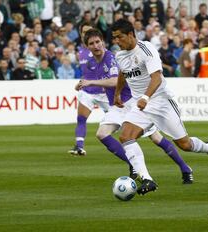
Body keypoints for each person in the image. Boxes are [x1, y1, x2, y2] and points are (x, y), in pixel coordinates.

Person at [111, 19, 208, 195]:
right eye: (114, 38)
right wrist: (118, 93)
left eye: (119, 37)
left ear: (131, 34)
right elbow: (122, 73)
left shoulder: (146, 49)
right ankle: (147, 180)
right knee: (125, 136)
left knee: (185, 145)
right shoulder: (119, 55)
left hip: (161, 101)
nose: (116, 41)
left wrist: (145, 97)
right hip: (141, 105)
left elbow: (156, 77)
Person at [77, 29, 194, 184]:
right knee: (102, 133)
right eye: (91, 43)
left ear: (103, 42)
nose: (96, 45)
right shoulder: (93, 62)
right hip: (118, 106)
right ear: (87, 47)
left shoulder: (112, 58)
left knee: (156, 138)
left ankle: (185, 168)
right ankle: (133, 165)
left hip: (132, 101)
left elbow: (113, 80)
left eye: (98, 42)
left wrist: (90, 82)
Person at [67, 23, 110, 156]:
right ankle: (79, 146)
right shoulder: (81, 52)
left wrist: (106, 84)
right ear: (81, 35)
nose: (87, 34)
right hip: (88, 92)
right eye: (85, 32)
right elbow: (86, 74)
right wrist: (80, 83)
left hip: (104, 93)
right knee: (81, 118)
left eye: (89, 31)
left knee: (123, 119)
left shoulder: (100, 50)